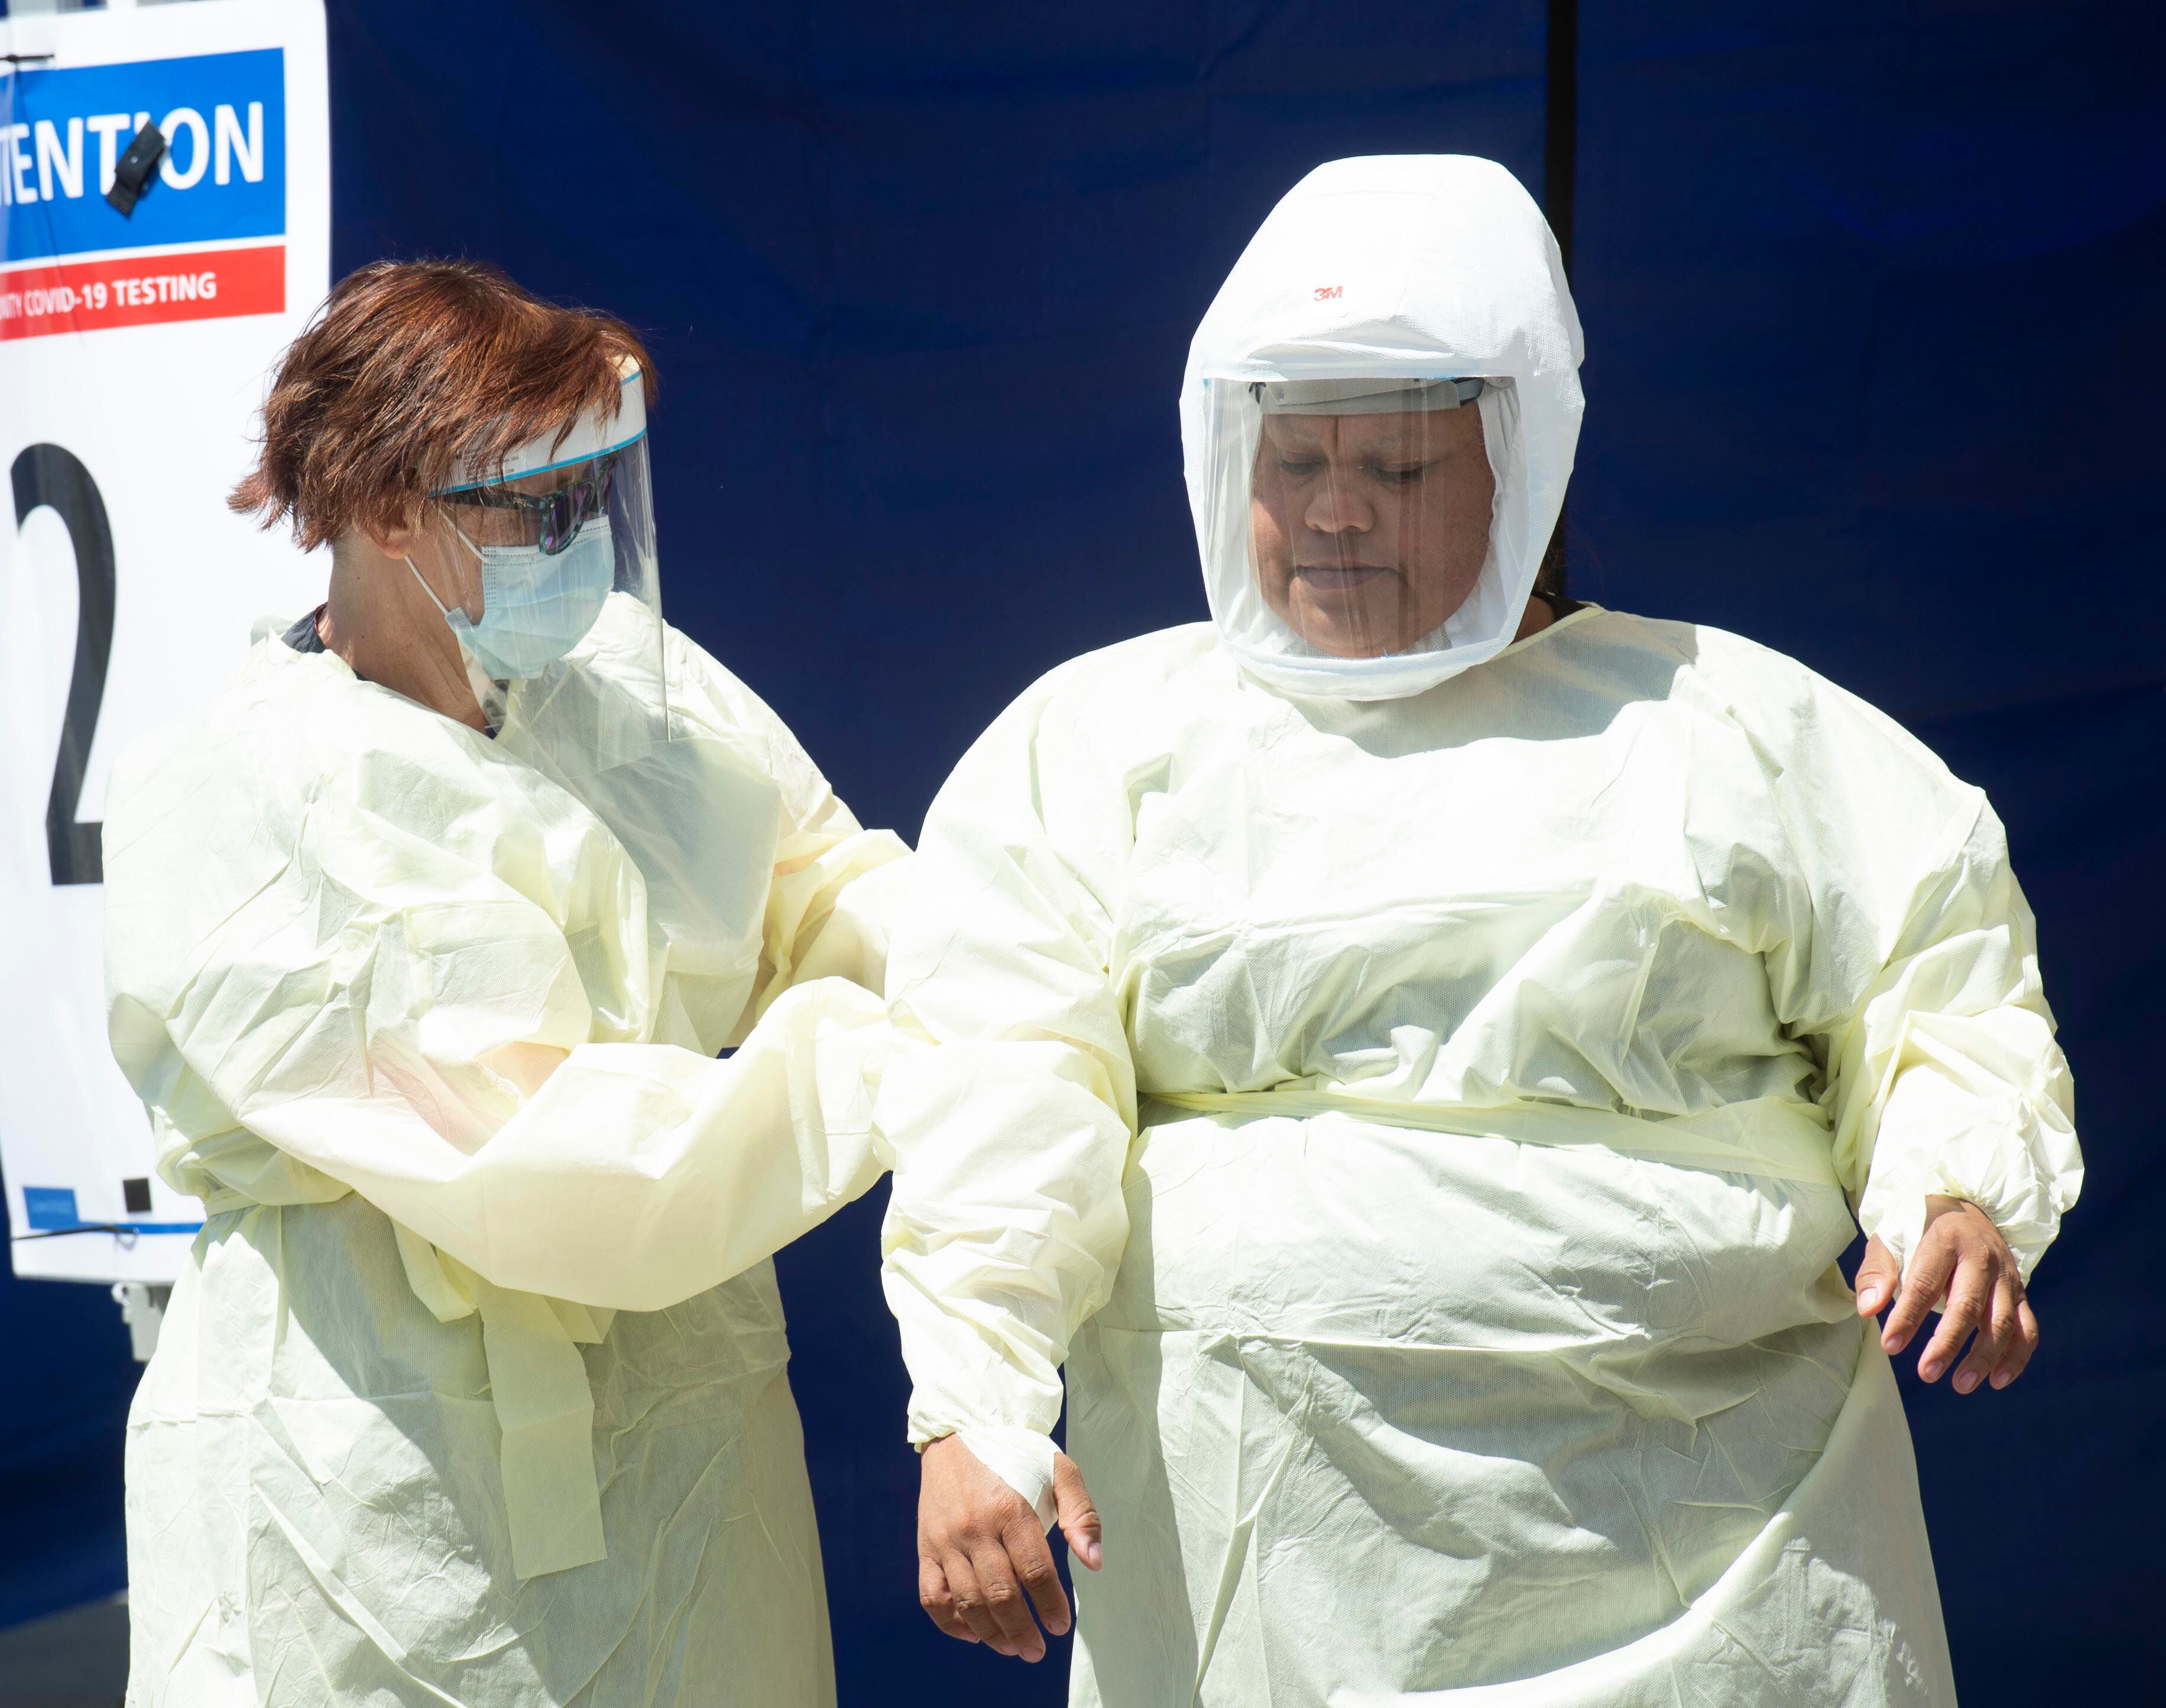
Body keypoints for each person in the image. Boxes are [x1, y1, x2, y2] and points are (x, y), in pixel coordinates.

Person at [878, 156, 2083, 1702]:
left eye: (1396, 469)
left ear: (1529, 461)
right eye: (1294, 456)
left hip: (1723, 1567)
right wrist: (974, 1403)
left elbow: (1941, 985)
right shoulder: (1093, 746)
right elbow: (1001, 1086)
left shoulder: (1735, 726)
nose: (1330, 510)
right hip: (1265, 1569)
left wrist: (1959, 1192)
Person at [103, 260, 907, 1706]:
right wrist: (895, 1057)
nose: (578, 549)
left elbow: (836, 892)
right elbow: (571, 1169)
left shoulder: (628, 688)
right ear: (386, 507)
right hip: (373, 1505)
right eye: (533, 508)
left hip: (691, 1471)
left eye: (591, 497)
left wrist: (1020, 957)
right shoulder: (244, 806)